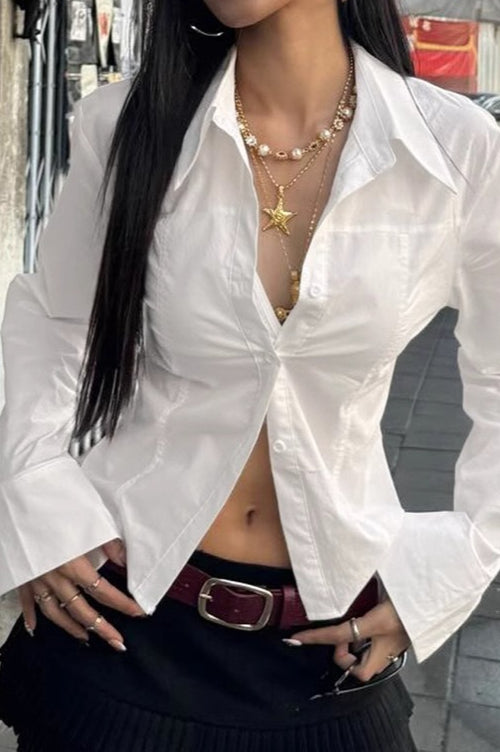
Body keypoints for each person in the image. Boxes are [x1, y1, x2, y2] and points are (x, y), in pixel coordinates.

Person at [0, 0, 499, 750]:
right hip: (122, 617)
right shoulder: (127, 125)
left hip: (330, 642)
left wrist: (450, 568)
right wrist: (36, 494)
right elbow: (55, 320)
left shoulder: (456, 149)